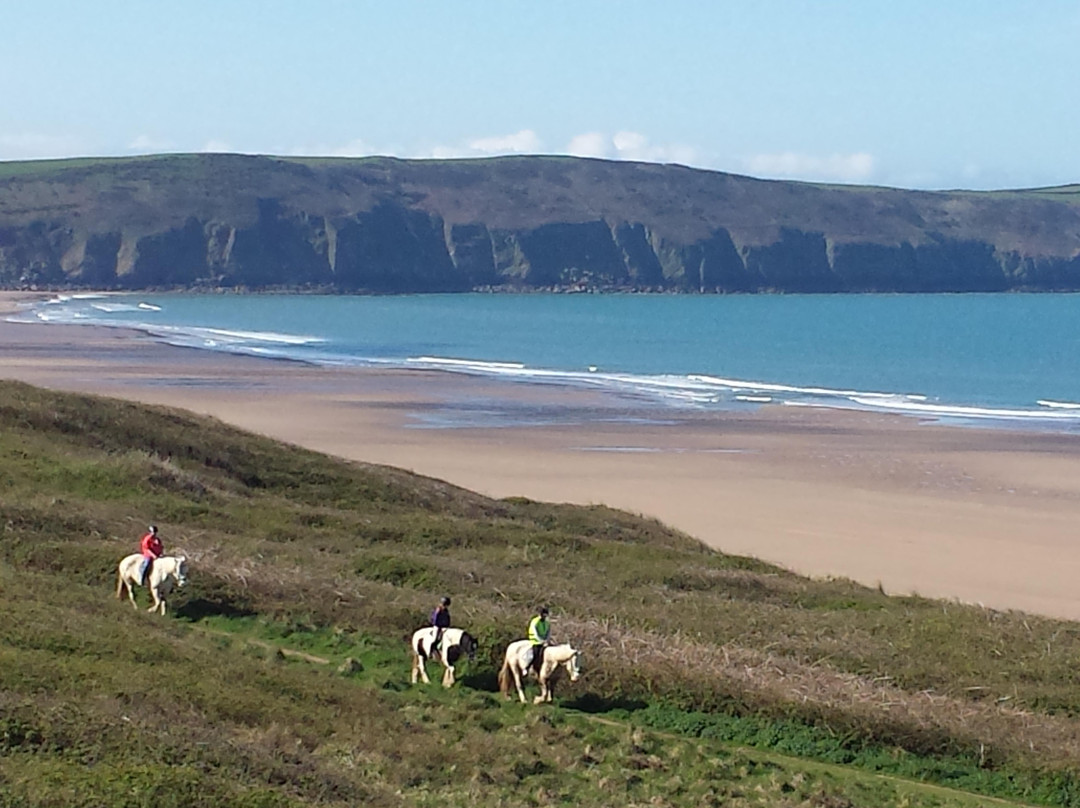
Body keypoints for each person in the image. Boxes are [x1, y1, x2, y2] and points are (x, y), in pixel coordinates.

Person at [527, 606, 551, 673]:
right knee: (536, 654)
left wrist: (547, 640)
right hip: (535, 641)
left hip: (544, 641)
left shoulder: (547, 623)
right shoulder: (535, 621)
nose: (545, 616)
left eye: (546, 615)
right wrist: (541, 641)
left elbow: (548, 632)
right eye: (544, 614)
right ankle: (528, 667)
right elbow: (535, 633)